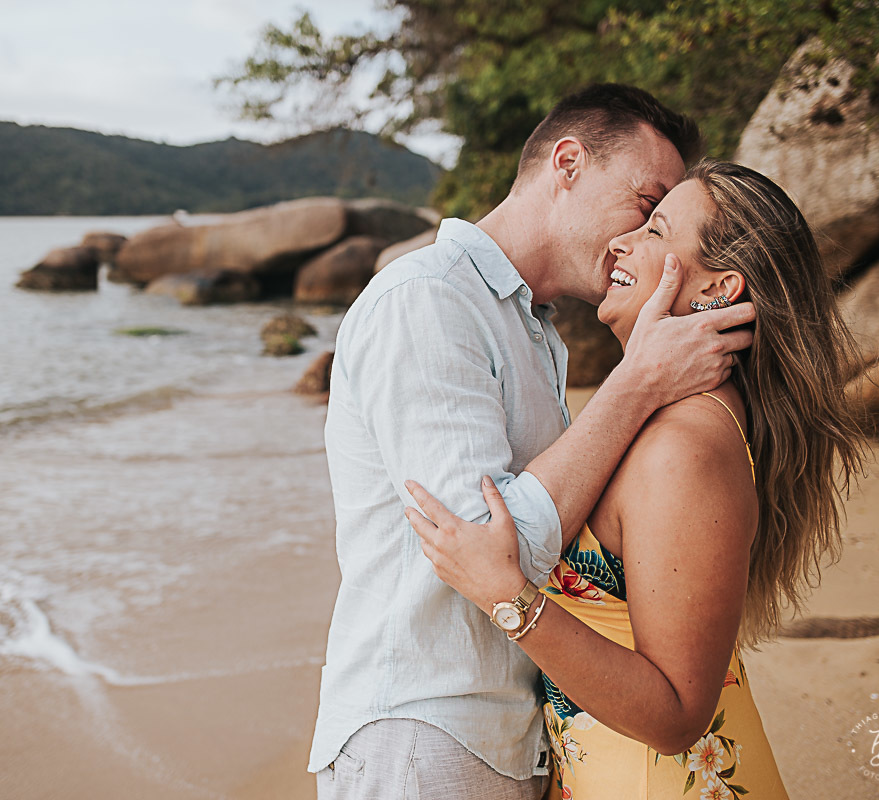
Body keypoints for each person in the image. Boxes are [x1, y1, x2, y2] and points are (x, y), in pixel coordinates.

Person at [309, 84, 758, 799]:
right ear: (569, 163)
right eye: (646, 208)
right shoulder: (428, 301)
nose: (632, 242)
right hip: (427, 732)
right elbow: (479, 547)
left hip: (511, 738)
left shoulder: (532, 329)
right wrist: (635, 382)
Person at [404, 159, 869, 798]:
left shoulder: (683, 447)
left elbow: (677, 712)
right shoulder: (660, 423)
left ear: (717, 289)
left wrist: (506, 597)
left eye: (655, 230)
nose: (622, 241)